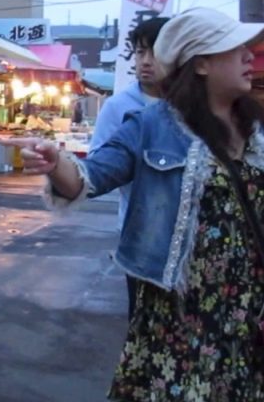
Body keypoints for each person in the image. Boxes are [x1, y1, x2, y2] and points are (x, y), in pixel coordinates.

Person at [10, 8, 264, 401]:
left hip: (250, 314)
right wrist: (56, 162)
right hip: (177, 313)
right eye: (237, 48)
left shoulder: (260, 132)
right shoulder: (151, 125)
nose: (250, 56)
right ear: (201, 63)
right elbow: (90, 178)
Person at [89, 17, 168, 321]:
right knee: (144, 319)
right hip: (138, 232)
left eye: (155, 52)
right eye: (140, 53)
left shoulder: (193, 106)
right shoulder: (118, 107)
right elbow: (98, 164)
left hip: (189, 235)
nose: (145, 62)